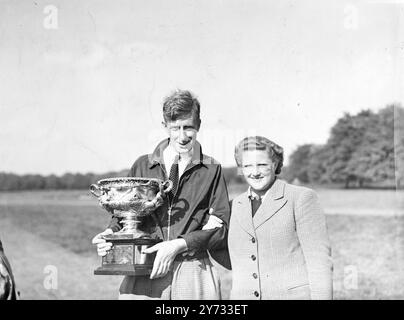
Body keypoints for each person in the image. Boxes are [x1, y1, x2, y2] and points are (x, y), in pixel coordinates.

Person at [92, 89, 230, 300]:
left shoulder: (212, 169)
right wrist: (110, 234)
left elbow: (221, 229)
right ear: (164, 125)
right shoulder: (142, 165)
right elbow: (123, 216)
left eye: (189, 127)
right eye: (176, 128)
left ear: (199, 125)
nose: (182, 136)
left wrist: (178, 244)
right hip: (144, 268)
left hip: (192, 271)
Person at [228, 136, 333, 300]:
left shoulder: (301, 198)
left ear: (275, 164)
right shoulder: (234, 205)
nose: (255, 172)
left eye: (262, 165)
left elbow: (319, 262)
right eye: (247, 166)